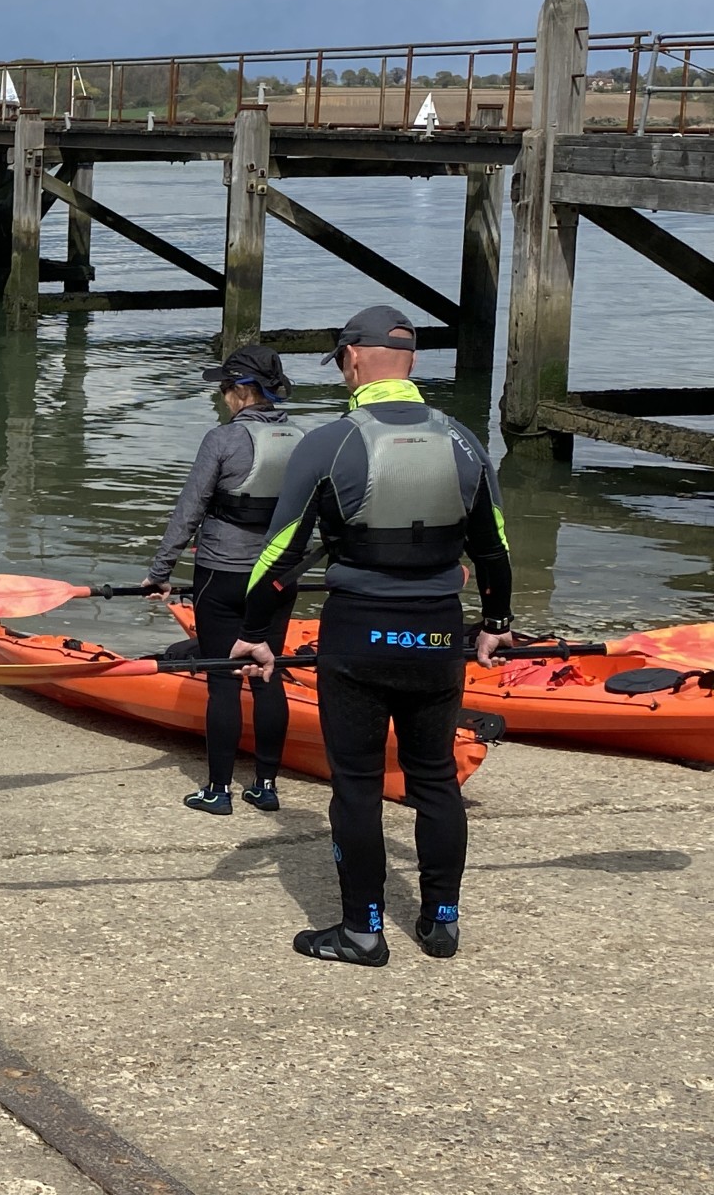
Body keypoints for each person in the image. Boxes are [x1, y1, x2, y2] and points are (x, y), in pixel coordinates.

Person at [230, 307, 514, 966]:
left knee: (356, 785)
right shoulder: (465, 442)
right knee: (435, 780)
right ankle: (441, 923)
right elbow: (494, 550)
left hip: (358, 638)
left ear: (352, 361)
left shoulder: (328, 443)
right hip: (439, 639)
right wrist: (496, 624)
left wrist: (254, 634)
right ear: (410, 362)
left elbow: (280, 557)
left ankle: (363, 932)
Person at [141, 344, 302, 815]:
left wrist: (160, 573)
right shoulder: (304, 439)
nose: (223, 397)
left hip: (222, 576)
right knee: (268, 675)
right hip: (278, 579)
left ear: (242, 390)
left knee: (224, 680)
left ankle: (218, 791)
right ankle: (266, 786)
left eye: (226, 388)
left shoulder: (221, 439)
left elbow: (188, 512)